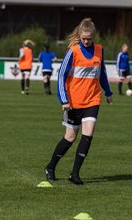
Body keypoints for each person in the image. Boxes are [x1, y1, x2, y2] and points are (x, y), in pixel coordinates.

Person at [44, 18, 113, 185]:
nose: (87, 41)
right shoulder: (73, 51)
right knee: (70, 137)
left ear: (94, 36)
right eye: (84, 38)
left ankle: (74, 174)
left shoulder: (99, 50)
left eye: (89, 38)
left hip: (92, 100)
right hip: (73, 102)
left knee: (88, 135)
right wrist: (64, 99)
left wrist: (108, 92)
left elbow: (101, 72)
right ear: (80, 36)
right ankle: (50, 167)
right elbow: (61, 76)